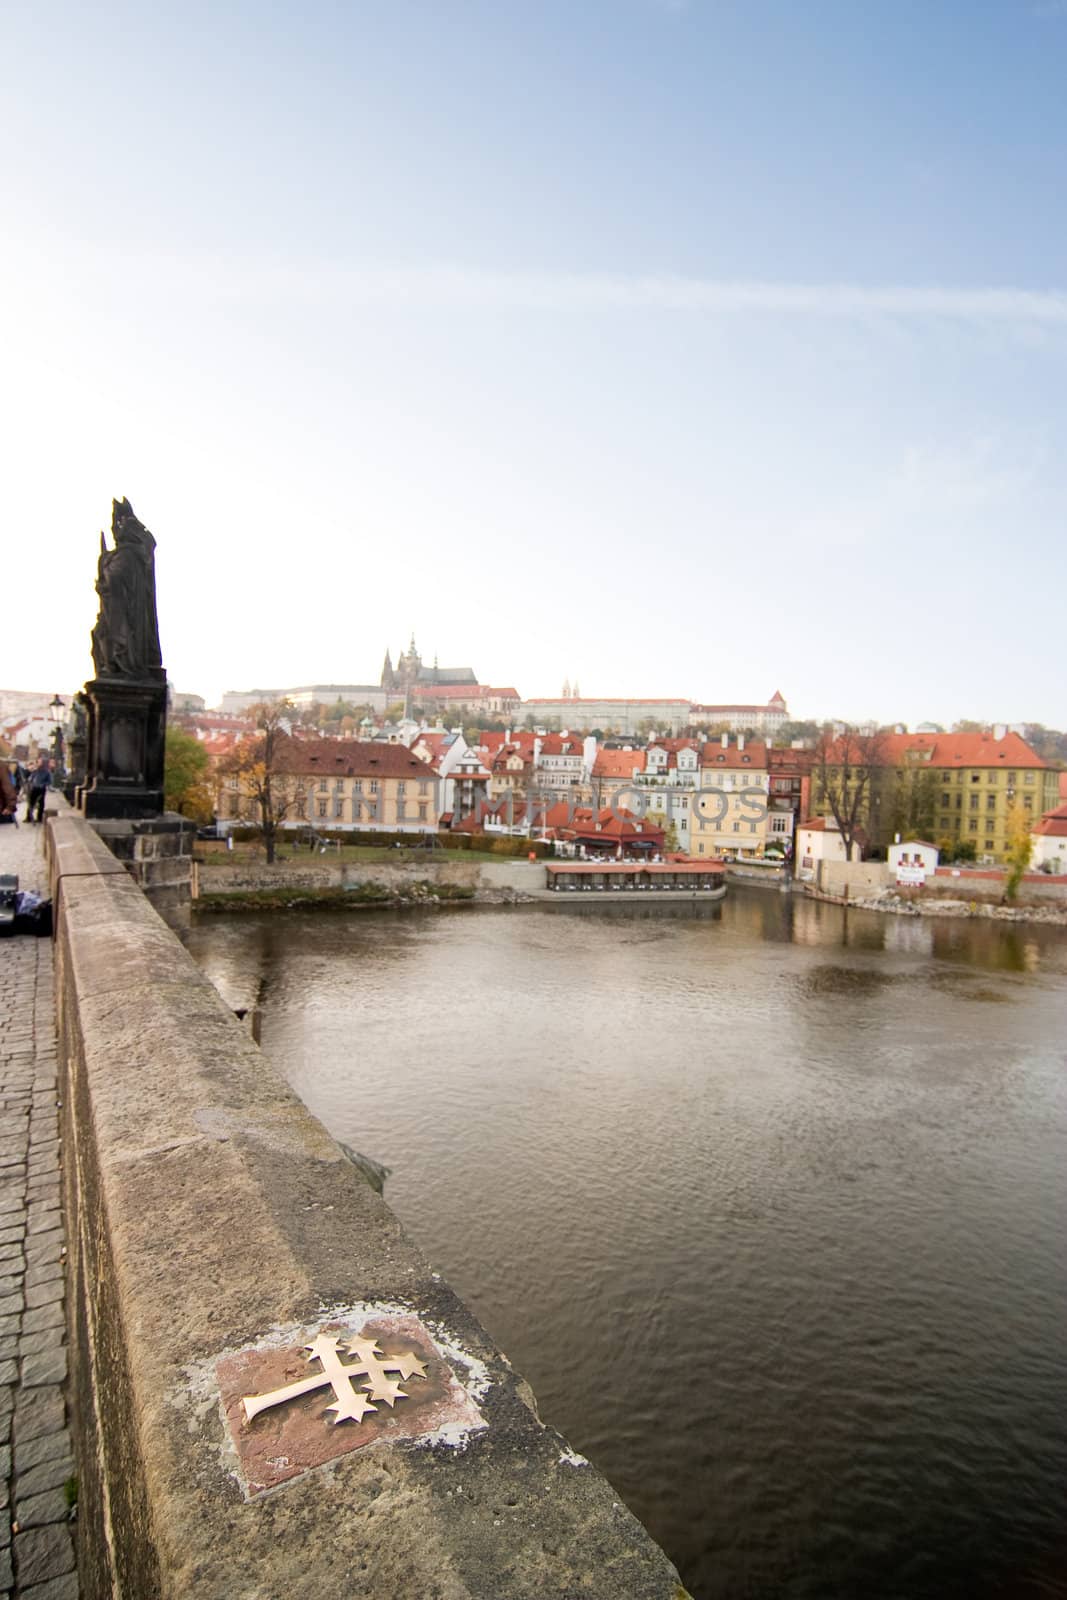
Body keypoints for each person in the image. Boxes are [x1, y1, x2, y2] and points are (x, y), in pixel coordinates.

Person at [25, 756, 52, 824]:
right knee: (31, 802)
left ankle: (39, 818)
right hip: (34, 788)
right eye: (38, 762)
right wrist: (29, 781)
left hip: (41, 789)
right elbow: (30, 778)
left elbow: (49, 781)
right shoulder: (35, 771)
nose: (38, 763)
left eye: (40, 762)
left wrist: (43, 784)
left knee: (41, 803)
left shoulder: (46, 772)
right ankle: (29, 817)